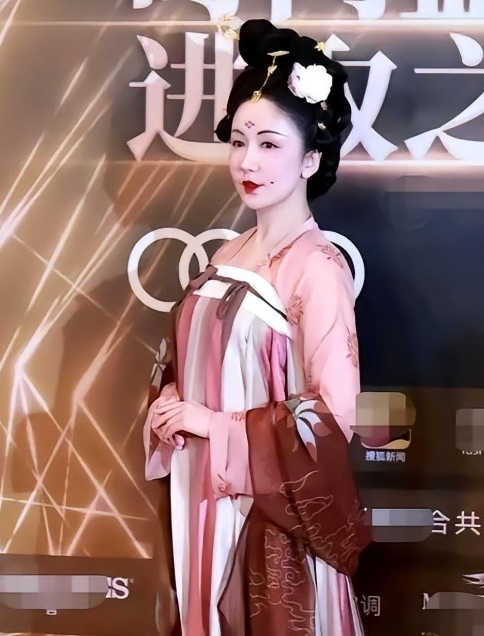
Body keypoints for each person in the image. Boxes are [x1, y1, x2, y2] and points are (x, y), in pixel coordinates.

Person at [143, 18, 370, 636]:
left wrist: (213, 424)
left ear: (310, 158)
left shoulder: (317, 266)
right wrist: (170, 400)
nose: (247, 161)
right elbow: (193, 361)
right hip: (202, 496)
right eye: (239, 141)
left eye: (270, 144)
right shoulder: (229, 253)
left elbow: (333, 416)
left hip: (269, 511)